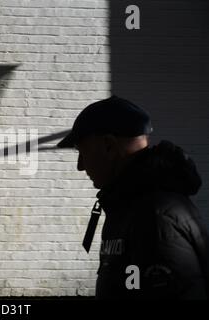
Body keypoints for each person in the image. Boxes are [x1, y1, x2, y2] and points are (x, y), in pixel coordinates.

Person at [57, 95, 209, 299]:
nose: (80, 166)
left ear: (109, 146)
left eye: (82, 152)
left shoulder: (154, 217)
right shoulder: (128, 205)